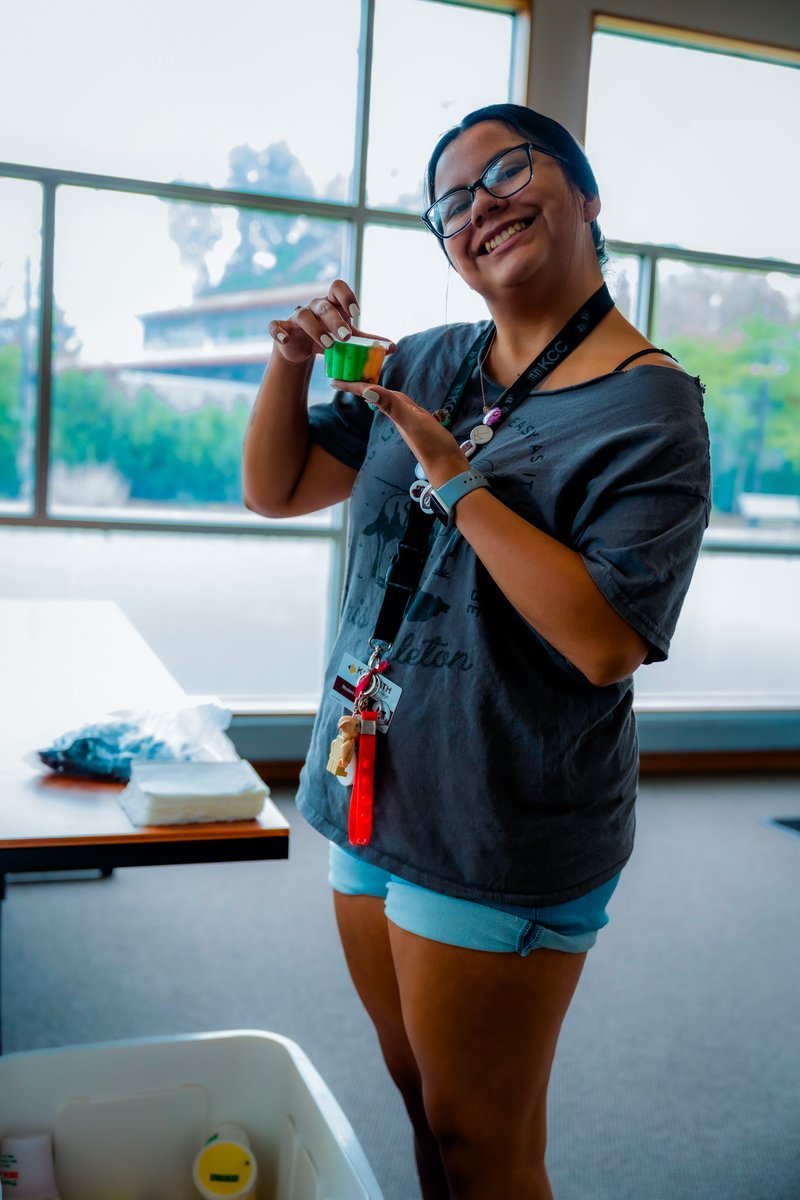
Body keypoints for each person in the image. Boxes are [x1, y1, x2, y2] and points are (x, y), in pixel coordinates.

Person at [243, 103, 710, 1200]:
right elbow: (275, 489)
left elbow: (601, 643)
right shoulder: (433, 359)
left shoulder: (650, 408)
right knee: (419, 1104)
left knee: (482, 1146)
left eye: (507, 168)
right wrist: (289, 366)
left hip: (501, 816)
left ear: (586, 195)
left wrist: (456, 479)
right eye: (451, 200)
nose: (479, 205)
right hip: (370, 785)